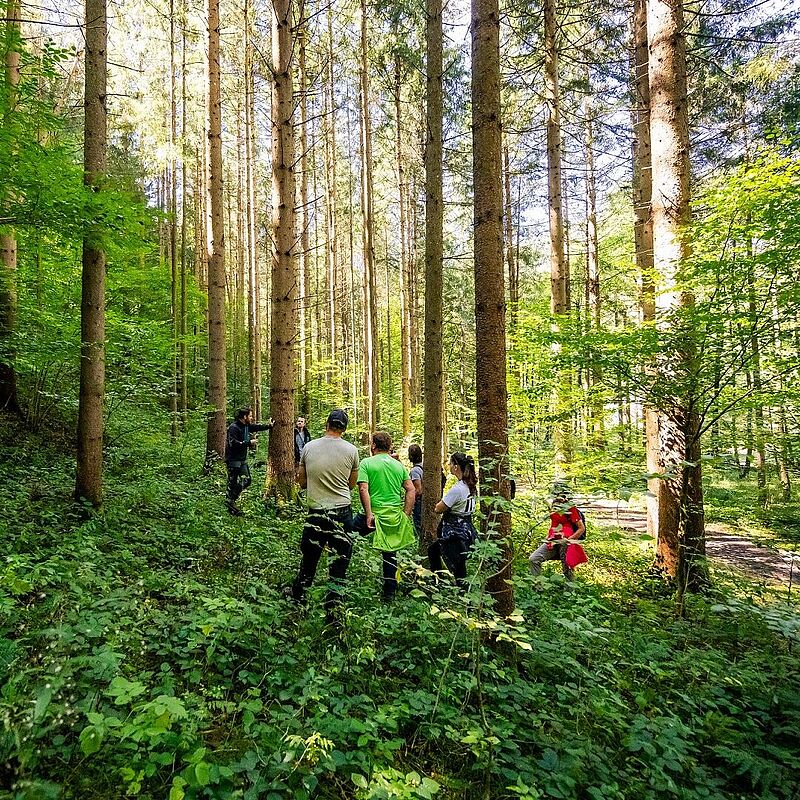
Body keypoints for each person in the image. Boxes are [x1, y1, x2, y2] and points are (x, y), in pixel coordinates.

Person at [290, 409, 360, 616]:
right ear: (344, 428)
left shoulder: (309, 447)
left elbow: (301, 481)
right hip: (342, 512)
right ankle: (334, 609)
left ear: (327, 424)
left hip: (316, 512)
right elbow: (351, 484)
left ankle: (298, 601)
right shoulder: (352, 451)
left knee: (309, 560)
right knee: (340, 563)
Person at [353, 432, 416, 601]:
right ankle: (389, 594)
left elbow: (363, 489)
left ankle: (339, 578)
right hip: (393, 515)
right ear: (389, 446)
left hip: (373, 515)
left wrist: (369, 514)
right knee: (390, 554)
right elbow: (411, 489)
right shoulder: (398, 466)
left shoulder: (367, 463)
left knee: (346, 536)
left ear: (374, 445)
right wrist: (405, 514)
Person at [429, 452, 478, 588]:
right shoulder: (470, 485)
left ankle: (446, 586)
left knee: (457, 565)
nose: (449, 465)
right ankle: (444, 583)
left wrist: (439, 503)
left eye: (451, 463)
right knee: (436, 551)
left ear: (456, 467)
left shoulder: (457, 489)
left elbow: (439, 508)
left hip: (454, 531)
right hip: (466, 528)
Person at [225, 407, 273, 515]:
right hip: (233, 460)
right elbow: (233, 443)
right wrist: (248, 443)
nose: (251, 418)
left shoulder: (246, 426)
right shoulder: (233, 427)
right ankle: (231, 506)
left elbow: (257, 427)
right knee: (232, 483)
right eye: (250, 416)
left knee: (247, 480)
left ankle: (230, 500)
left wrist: (269, 426)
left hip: (242, 460)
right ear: (244, 416)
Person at [529, 490, 586, 580]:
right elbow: (554, 524)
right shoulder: (553, 506)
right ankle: (537, 585)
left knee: (567, 567)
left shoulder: (570, 508)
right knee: (534, 559)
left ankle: (570, 587)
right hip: (552, 540)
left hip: (565, 541)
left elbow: (581, 528)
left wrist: (569, 540)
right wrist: (548, 537)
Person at [408, 444, 423, 538]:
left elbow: (418, 490)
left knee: (419, 526)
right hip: (426, 501)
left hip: (420, 503)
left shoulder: (415, 471)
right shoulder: (425, 466)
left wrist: (411, 502)